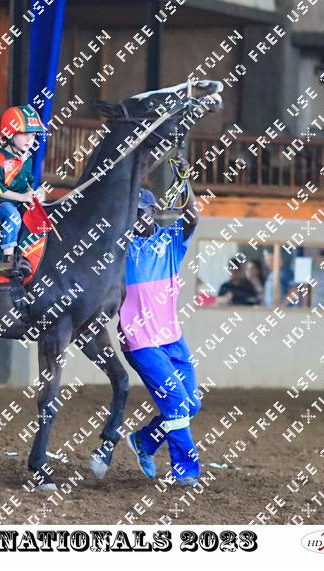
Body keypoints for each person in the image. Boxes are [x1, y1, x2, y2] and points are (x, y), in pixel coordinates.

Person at [119, 156, 202, 487]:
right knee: (179, 404)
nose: (136, 218)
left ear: (152, 212)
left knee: (191, 403)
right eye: (132, 213)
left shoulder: (170, 240)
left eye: (141, 212)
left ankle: (144, 441)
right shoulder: (120, 248)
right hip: (140, 341)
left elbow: (192, 216)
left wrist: (185, 181)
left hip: (172, 338)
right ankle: (186, 472)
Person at [0, 104, 46, 277]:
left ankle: (25, 254)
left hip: (19, 199)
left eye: (33, 135)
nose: (30, 139)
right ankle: (6, 260)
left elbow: (29, 182)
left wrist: (37, 193)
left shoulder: (28, 159)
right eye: (24, 134)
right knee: (13, 217)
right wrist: (22, 197)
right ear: (10, 133)